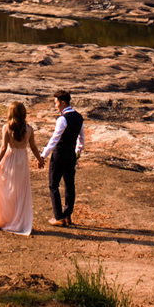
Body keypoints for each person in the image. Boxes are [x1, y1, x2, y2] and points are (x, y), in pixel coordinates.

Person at [0, 100, 44, 235]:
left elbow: (4, 147)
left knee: (7, 188)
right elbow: (33, 147)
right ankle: (18, 219)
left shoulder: (6, 128)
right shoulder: (29, 129)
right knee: (20, 191)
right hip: (22, 161)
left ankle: (5, 217)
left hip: (10, 158)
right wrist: (40, 160)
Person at [40, 89, 85, 227]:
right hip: (71, 153)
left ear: (63, 102)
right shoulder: (79, 117)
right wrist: (77, 152)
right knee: (69, 185)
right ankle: (67, 215)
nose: (55, 105)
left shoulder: (62, 119)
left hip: (59, 154)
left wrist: (43, 155)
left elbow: (55, 138)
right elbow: (81, 138)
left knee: (53, 184)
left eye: (56, 103)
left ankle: (59, 216)